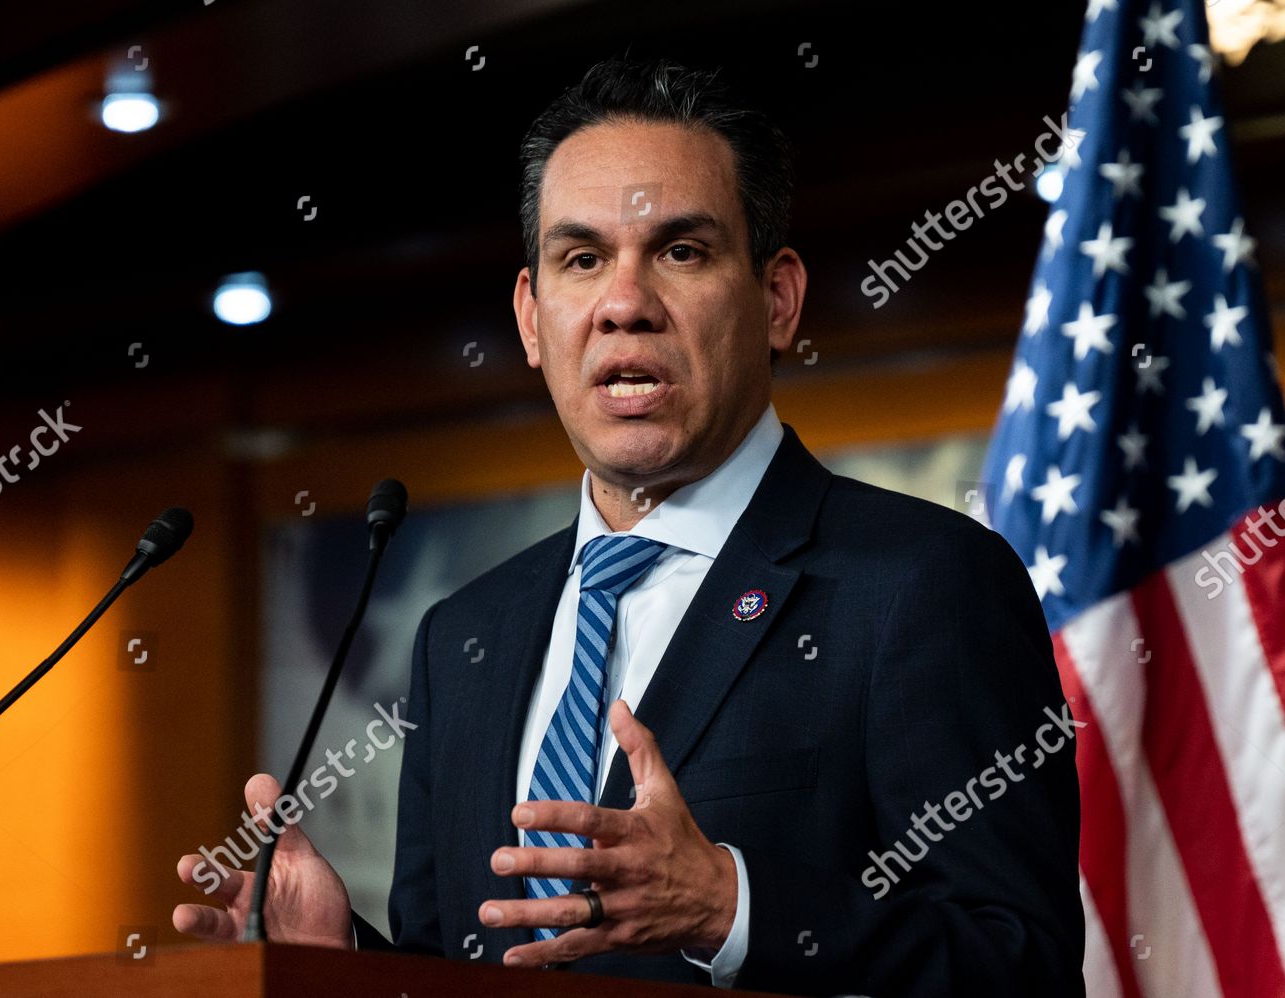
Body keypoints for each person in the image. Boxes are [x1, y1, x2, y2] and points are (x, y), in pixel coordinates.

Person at [174, 57, 1083, 996]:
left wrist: (731, 908)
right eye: (582, 259)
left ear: (778, 300)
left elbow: (1024, 967)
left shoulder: (922, 582)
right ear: (531, 319)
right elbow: (464, 973)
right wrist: (345, 964)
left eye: (681, 251)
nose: (623, 304)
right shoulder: (466, 635)